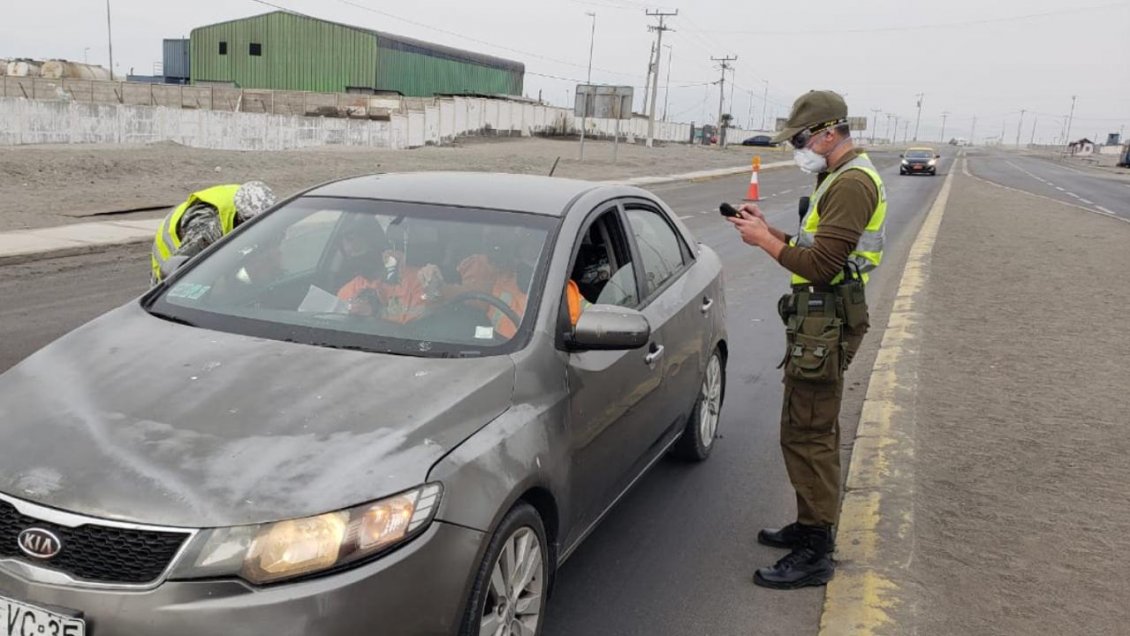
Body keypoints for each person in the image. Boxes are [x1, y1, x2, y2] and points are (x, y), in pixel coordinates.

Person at [726, 90, 887, 590]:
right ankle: (810, 523)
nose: (797, 148)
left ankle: (816, 550)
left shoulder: (853, 183)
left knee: (809, 433)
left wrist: (765, 243)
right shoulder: (835, 176)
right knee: (807, 426)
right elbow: (816, 244)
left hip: (828, 319)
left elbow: (822, 265)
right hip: (820, 318)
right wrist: (769, 229)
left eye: (800, 138)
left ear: (828, 133)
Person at [151, 182, 277, 283]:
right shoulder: (207, 227)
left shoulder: (258, 202)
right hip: (171, 261)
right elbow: (180, 270)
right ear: (240, 217)